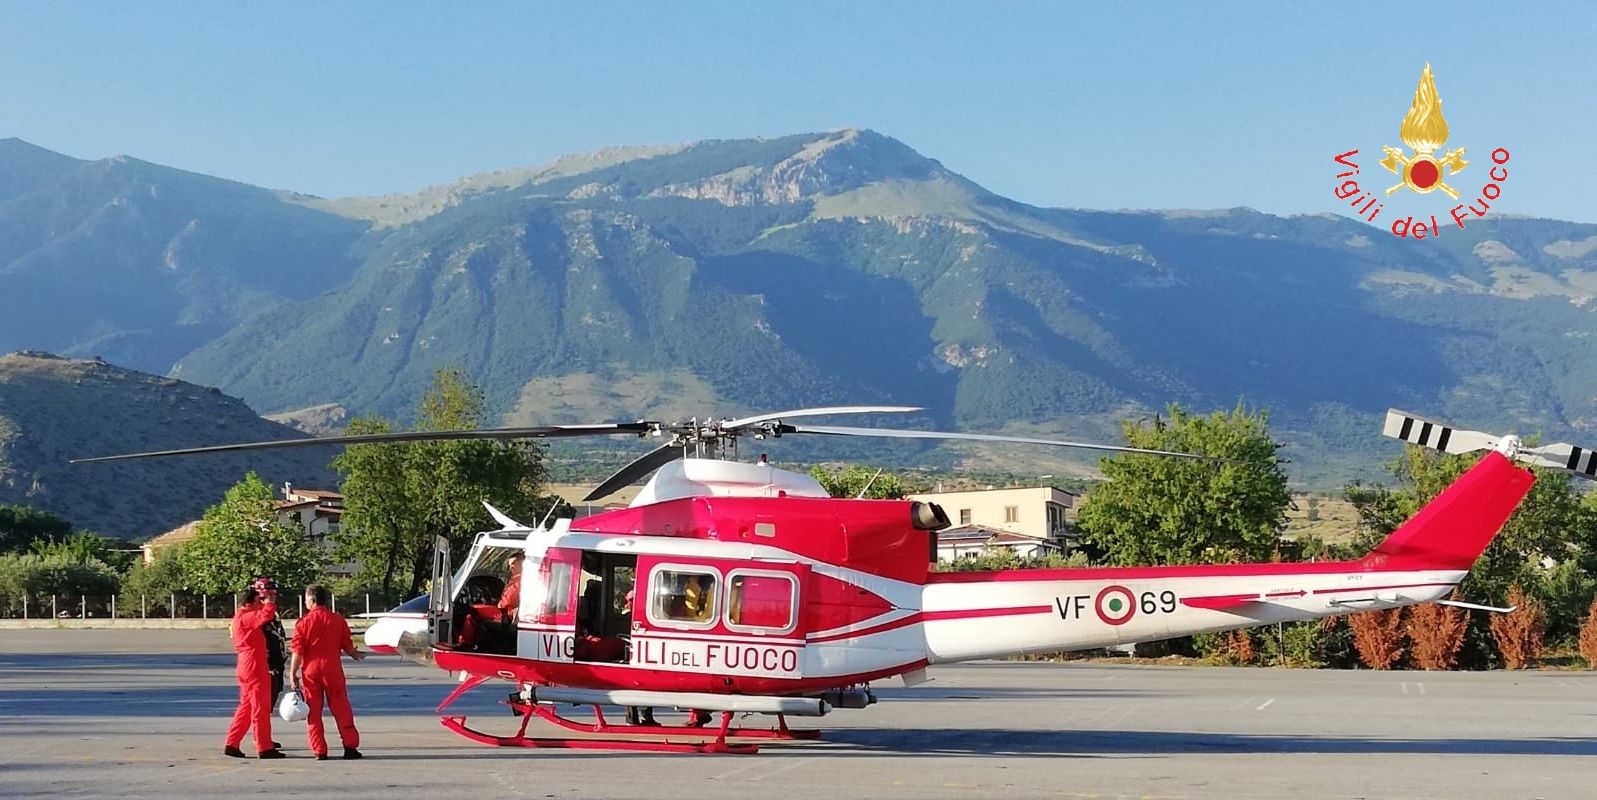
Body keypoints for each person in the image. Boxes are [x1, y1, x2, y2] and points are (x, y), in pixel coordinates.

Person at [288, 584, 365, 760]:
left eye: (306, 598)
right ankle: (350, 746)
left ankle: (319, 750)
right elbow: (347, 644)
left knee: (313, 711)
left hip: (311, 671)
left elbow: (298, 652)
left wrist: (293, 673)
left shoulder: (303, 623)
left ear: (312, 600)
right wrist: (355, 654)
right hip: (333, 669)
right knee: (342, 707)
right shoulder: (337, 620)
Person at [224, 577, 285, 759]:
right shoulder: (247, 617)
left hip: (247, 664)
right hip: (254, 664)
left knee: (247, 707)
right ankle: (264, 747)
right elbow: (265, 615)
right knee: (260, 706)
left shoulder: (241, 616)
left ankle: (232, 743)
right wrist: (269, 601)